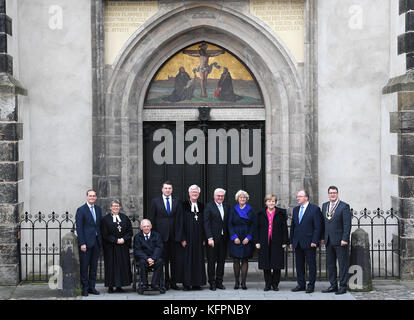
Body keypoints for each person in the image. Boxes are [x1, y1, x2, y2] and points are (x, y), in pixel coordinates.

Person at [148, 181, 183, 290]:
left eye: (169, 188)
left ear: (172, 190)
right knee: (163, 260)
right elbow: (152, 219)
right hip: (161, 236)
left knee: (174, 260)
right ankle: (165, 282)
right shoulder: (155, 201)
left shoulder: (177, 201)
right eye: (166, 188)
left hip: (174, 236)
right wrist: (153, 236)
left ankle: (174, 282)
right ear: (162, 189)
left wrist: (180, 235)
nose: (167, 190)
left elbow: (180, 219)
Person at [290, 189, 323, 293]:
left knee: (311, 264)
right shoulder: (295, 209)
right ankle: (301, 284)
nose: (297, 198)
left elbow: (318, 227)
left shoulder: (314, 209)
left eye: (300, 196)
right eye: (297, 196)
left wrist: (315, 240)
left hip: (310, 242)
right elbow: (293, 227)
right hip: (298, 242)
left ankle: (311, 285)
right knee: (299, 265)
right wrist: (291, 241)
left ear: (306, 197)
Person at [321, 186, 352, 295]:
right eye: (330, 193)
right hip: (328, 240)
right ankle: (333, 285)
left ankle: (343, 286)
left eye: (334, 193)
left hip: (340, 241)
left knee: (342, 264)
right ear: (328, 194)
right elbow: (323, 223)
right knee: (330, 264)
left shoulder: (344, 206)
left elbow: (347, 225)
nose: (332, 195)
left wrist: (345, 239)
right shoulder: (325, 206)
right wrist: (323, 238)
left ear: (337, 193)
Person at [255, 194, 288, 291]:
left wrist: (285, 241)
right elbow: (256, 228)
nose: (271, 203)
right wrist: (257, 241)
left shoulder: (281, 213)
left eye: (273, 201)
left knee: (276, 264)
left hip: (277, 242)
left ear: (275, 202)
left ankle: (275, 284)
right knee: (266, 264)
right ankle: (268, 284)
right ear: (266, 202)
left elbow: (284, 228)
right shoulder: (260, 213)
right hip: (264, 242)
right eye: (269, 201)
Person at [175, 185, 206, 290]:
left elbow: (204, 224)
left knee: (198, 260)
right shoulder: (183, 205)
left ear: (199, 194)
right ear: (189, 193)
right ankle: (187, 283)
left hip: (198, 239)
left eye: (196, 192)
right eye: (193, 192)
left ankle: (197, 283)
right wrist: (182, 238)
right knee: (186, 261)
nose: (194, 193)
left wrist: (203, 238)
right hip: (187, 238)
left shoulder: (202, 206)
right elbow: (179, 223)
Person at [100, 199, 133, 293]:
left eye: (117, 206)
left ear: (120, 207)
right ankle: (110, 286)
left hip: (122, 246)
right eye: (114, 206)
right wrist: (115, 240)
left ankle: (119, 286)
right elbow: (105, 233)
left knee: (122, 265)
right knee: (111, 266)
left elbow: (129, 231)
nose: (116, 208)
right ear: (110, 207)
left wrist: (123, 239)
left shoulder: (125, 218)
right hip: (111, 247)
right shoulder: (105, 219)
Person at [75, 189, 102, 296]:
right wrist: (82, 243)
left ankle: (92, 287)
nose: (92, 197)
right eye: (90, 196)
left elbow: (98, 226)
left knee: (94, 267)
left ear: (96, 197)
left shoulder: (98, 209)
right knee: (84, 266)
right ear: (87, 197)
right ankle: (85, 288)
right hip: (86, 243)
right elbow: (79, 228)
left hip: (96, 242)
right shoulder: (81, 210)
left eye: (94, 196)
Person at [228, 190, 256, 290]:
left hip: (246, 236)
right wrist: (233, 237)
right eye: (241, 197)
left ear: (246, 199)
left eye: (244, 197)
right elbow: (229, 224)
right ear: (237, 199)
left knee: (245, 259)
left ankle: (243, 283)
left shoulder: (251, 210)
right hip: (236, 236)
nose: (242, 199)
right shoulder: (233, 209)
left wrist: (249, 237)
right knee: (236, 260)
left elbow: (253, 224)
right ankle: (236, 282)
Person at [203, 188, 230, 291]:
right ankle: (212, 282)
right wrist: (209, 237)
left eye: (222, 196)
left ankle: (219, 282)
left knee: (221, 261)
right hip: (212, 240)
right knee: (211, 261)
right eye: (218, 196)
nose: (220, 197)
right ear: (214, 196)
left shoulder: (227, 206)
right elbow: (206, 223)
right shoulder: (209, 206)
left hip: (223, 239)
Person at [133, 219, 165, 294]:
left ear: (151, 226)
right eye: (144, 226)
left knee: (160, 261)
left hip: (155, 258)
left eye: (148, 226)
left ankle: (155, 284)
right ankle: (144, 284)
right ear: (141, 228)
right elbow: (137, 250)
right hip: (144, 259)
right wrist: (147, 258)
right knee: (141, 262)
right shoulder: (137, 237)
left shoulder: (157, 235)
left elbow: (159, 247)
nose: (146, 228)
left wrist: (153, 258)